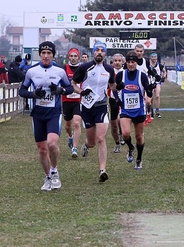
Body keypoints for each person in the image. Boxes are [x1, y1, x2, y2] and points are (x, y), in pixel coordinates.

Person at [19, 41, 74, 191]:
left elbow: (69, 88)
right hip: (37, 114)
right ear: (40, 54)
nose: (46, 56)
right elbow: (22, 90)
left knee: (52, 143)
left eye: (49, 53)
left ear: (53, 55)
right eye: (43, 53)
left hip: (53, 114)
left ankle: (55, 171)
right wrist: (33, 94)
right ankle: (48, 177)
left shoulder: (59, 71)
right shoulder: (31, 71)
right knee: (42, 150)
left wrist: (60, 90)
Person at [72, 41, 119, 183]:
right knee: (92, 142)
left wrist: (119, 87)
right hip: (87, 107)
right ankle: (86, 145)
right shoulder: (85, 67)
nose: (99, 52)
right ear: (93, 52)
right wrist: (81, 91)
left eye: (102, 50)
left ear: (105, 53)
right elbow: (73, 84)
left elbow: (112, 86)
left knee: (100, 138)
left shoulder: (109, 69)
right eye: (97, 50)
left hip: (101, 106)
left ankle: (102, 170)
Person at [115, 52, 155, 169]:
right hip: (125, 110)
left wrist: (149, 90)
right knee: (126, 133)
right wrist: (117, 98)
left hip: (139, 110)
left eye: (133, 62)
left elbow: (148, 91)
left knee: (139, 136)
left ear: (136, 63)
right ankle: (130, 148)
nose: (131, 64)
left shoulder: (142, 76)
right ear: (125, 63)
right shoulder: (120, 75)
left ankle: (139, 158)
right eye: (128, 62)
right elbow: (113, 88)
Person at [62, 48, 83, 158]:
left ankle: (74, 148)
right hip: (66, 100)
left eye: (75, 56)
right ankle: (70, 136)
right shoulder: (64, 69)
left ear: (78, 57)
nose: (73, 58)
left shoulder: (82, 68)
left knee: (76, 123)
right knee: (68, 125)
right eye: (72, 56)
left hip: (78, 100)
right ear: (68, 57)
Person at [108, 53, 126, 153]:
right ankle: (117, 143)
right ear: (112, 62)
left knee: (120, 120)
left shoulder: (126, 72)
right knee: (113, 124)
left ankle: (122, 134)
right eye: (115, 61)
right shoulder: (109, 72)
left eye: (119, 60)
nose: (117, 62)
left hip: (123, 100)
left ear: (123, 62)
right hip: (113, 100)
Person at [134, 44, 153, 124]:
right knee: (140, 101)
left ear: (143, 52)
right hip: (136, 84)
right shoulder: (131, 61)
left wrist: (156, 75)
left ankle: (148, 114)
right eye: (137, 51)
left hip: (146, 83)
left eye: (140, 51)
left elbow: (149, 70)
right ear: (134, 51)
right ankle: (143, 116)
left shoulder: (146, 61)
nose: (139, 53)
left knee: (148, 101)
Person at [149, 53, 166, 118]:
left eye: (155, 57)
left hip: (157, 82)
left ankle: (157, 111)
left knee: (157, 96)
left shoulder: (159, 65)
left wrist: (163, 77)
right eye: (152, 57)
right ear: (150, 58)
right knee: (151, 98)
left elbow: (164, 71)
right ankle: (151, 112)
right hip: (150, 82)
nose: (153, 58)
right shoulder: (148, 65)